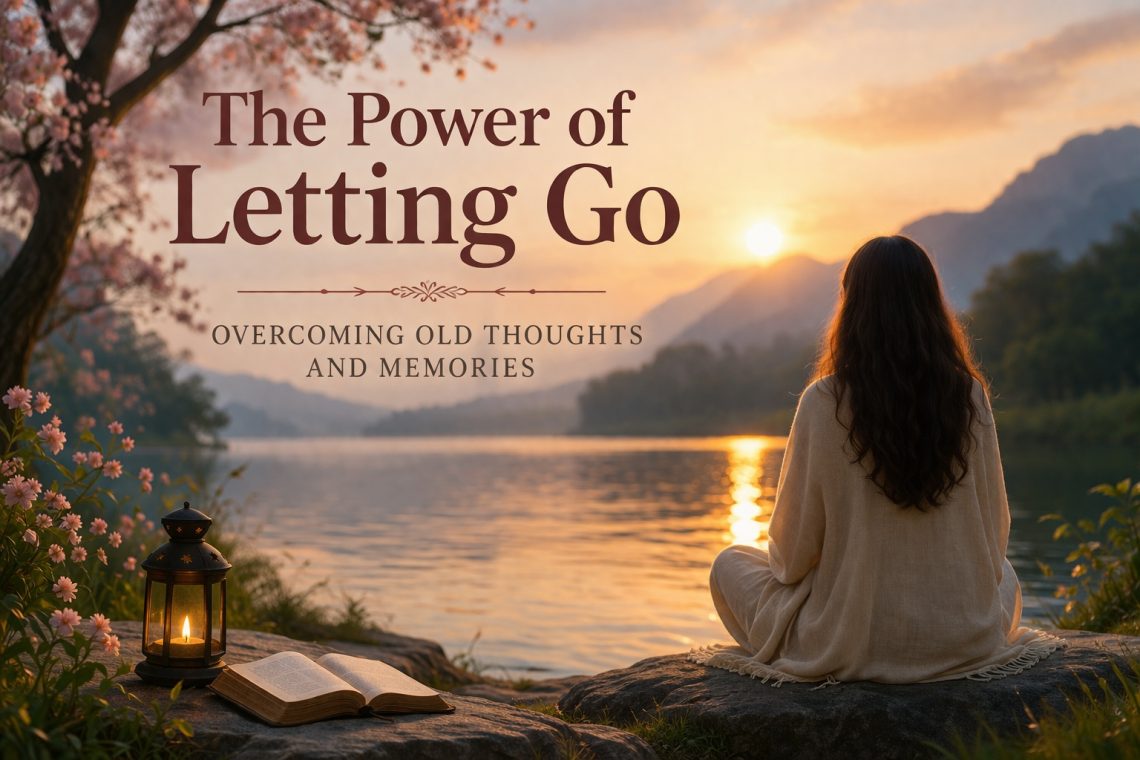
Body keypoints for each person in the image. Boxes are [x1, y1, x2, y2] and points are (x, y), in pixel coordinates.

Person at [692, 236, 1060, 685]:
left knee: (729, 564)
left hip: (851, 640)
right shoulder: (969, 395)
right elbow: (994, 535)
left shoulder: (823, 401)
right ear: (930, 302)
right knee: (1004, 572)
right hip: (962, 638)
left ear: (852, 306)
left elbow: (792, 555)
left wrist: (837, 566)